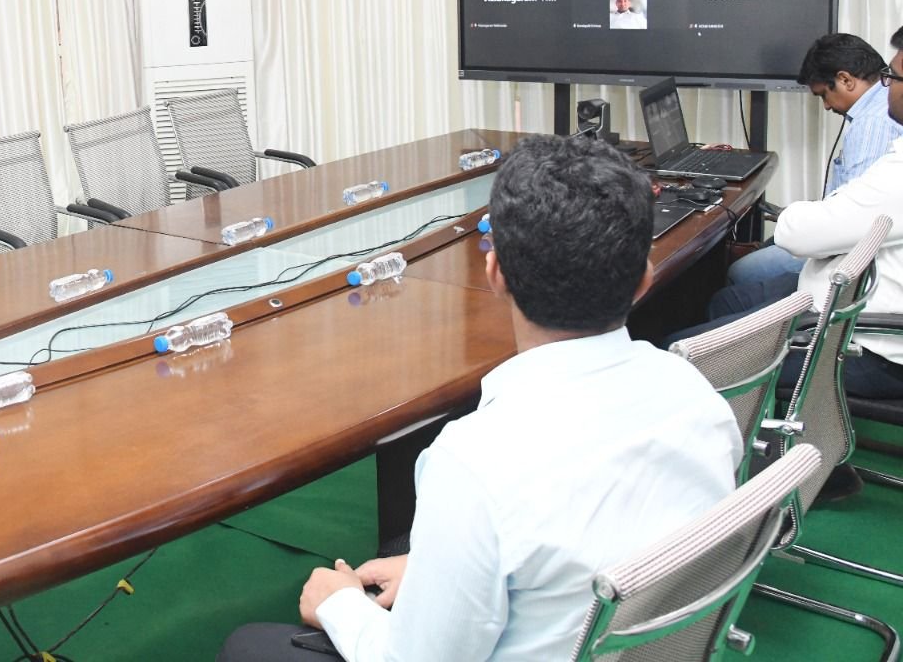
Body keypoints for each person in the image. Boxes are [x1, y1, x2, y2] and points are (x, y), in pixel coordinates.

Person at [218, 135, 739, 662]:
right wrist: (432, 572)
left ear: (496, 275)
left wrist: (339, 605)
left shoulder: (474, 465)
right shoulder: (699, 394)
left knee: (247, 647)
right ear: (645, 280)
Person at [679, 25, 903, 402]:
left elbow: (803, 234)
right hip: (846, 300)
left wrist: (803, 214)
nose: (886, 87)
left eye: (893, 77)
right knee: (722, 305)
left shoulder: (890, 159)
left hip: (862, 340)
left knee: (680, 353)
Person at [726, 33, 903, 287]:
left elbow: (852, 225)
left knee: (740, 272)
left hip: (843, 255)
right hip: (841, 239)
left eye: (822, 95)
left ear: (845, 80)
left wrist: (800, 217)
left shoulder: (873, 124)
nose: (827, 107)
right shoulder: (873, 114)